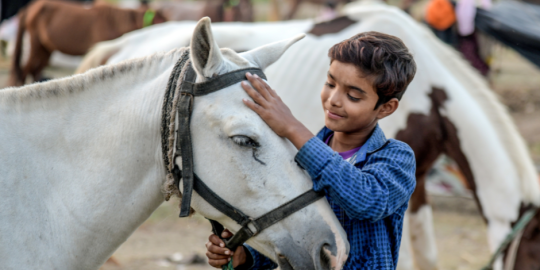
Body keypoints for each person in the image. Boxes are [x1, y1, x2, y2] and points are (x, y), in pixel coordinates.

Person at [205, 31, 417, 269]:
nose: (333, 99)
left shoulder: (396, 157)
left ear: (386, 107)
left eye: (353, 96)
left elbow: (367, 201)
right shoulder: (301, 157)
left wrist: (293, 128)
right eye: (330, 83)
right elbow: (288, 229)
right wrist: (247, 257)